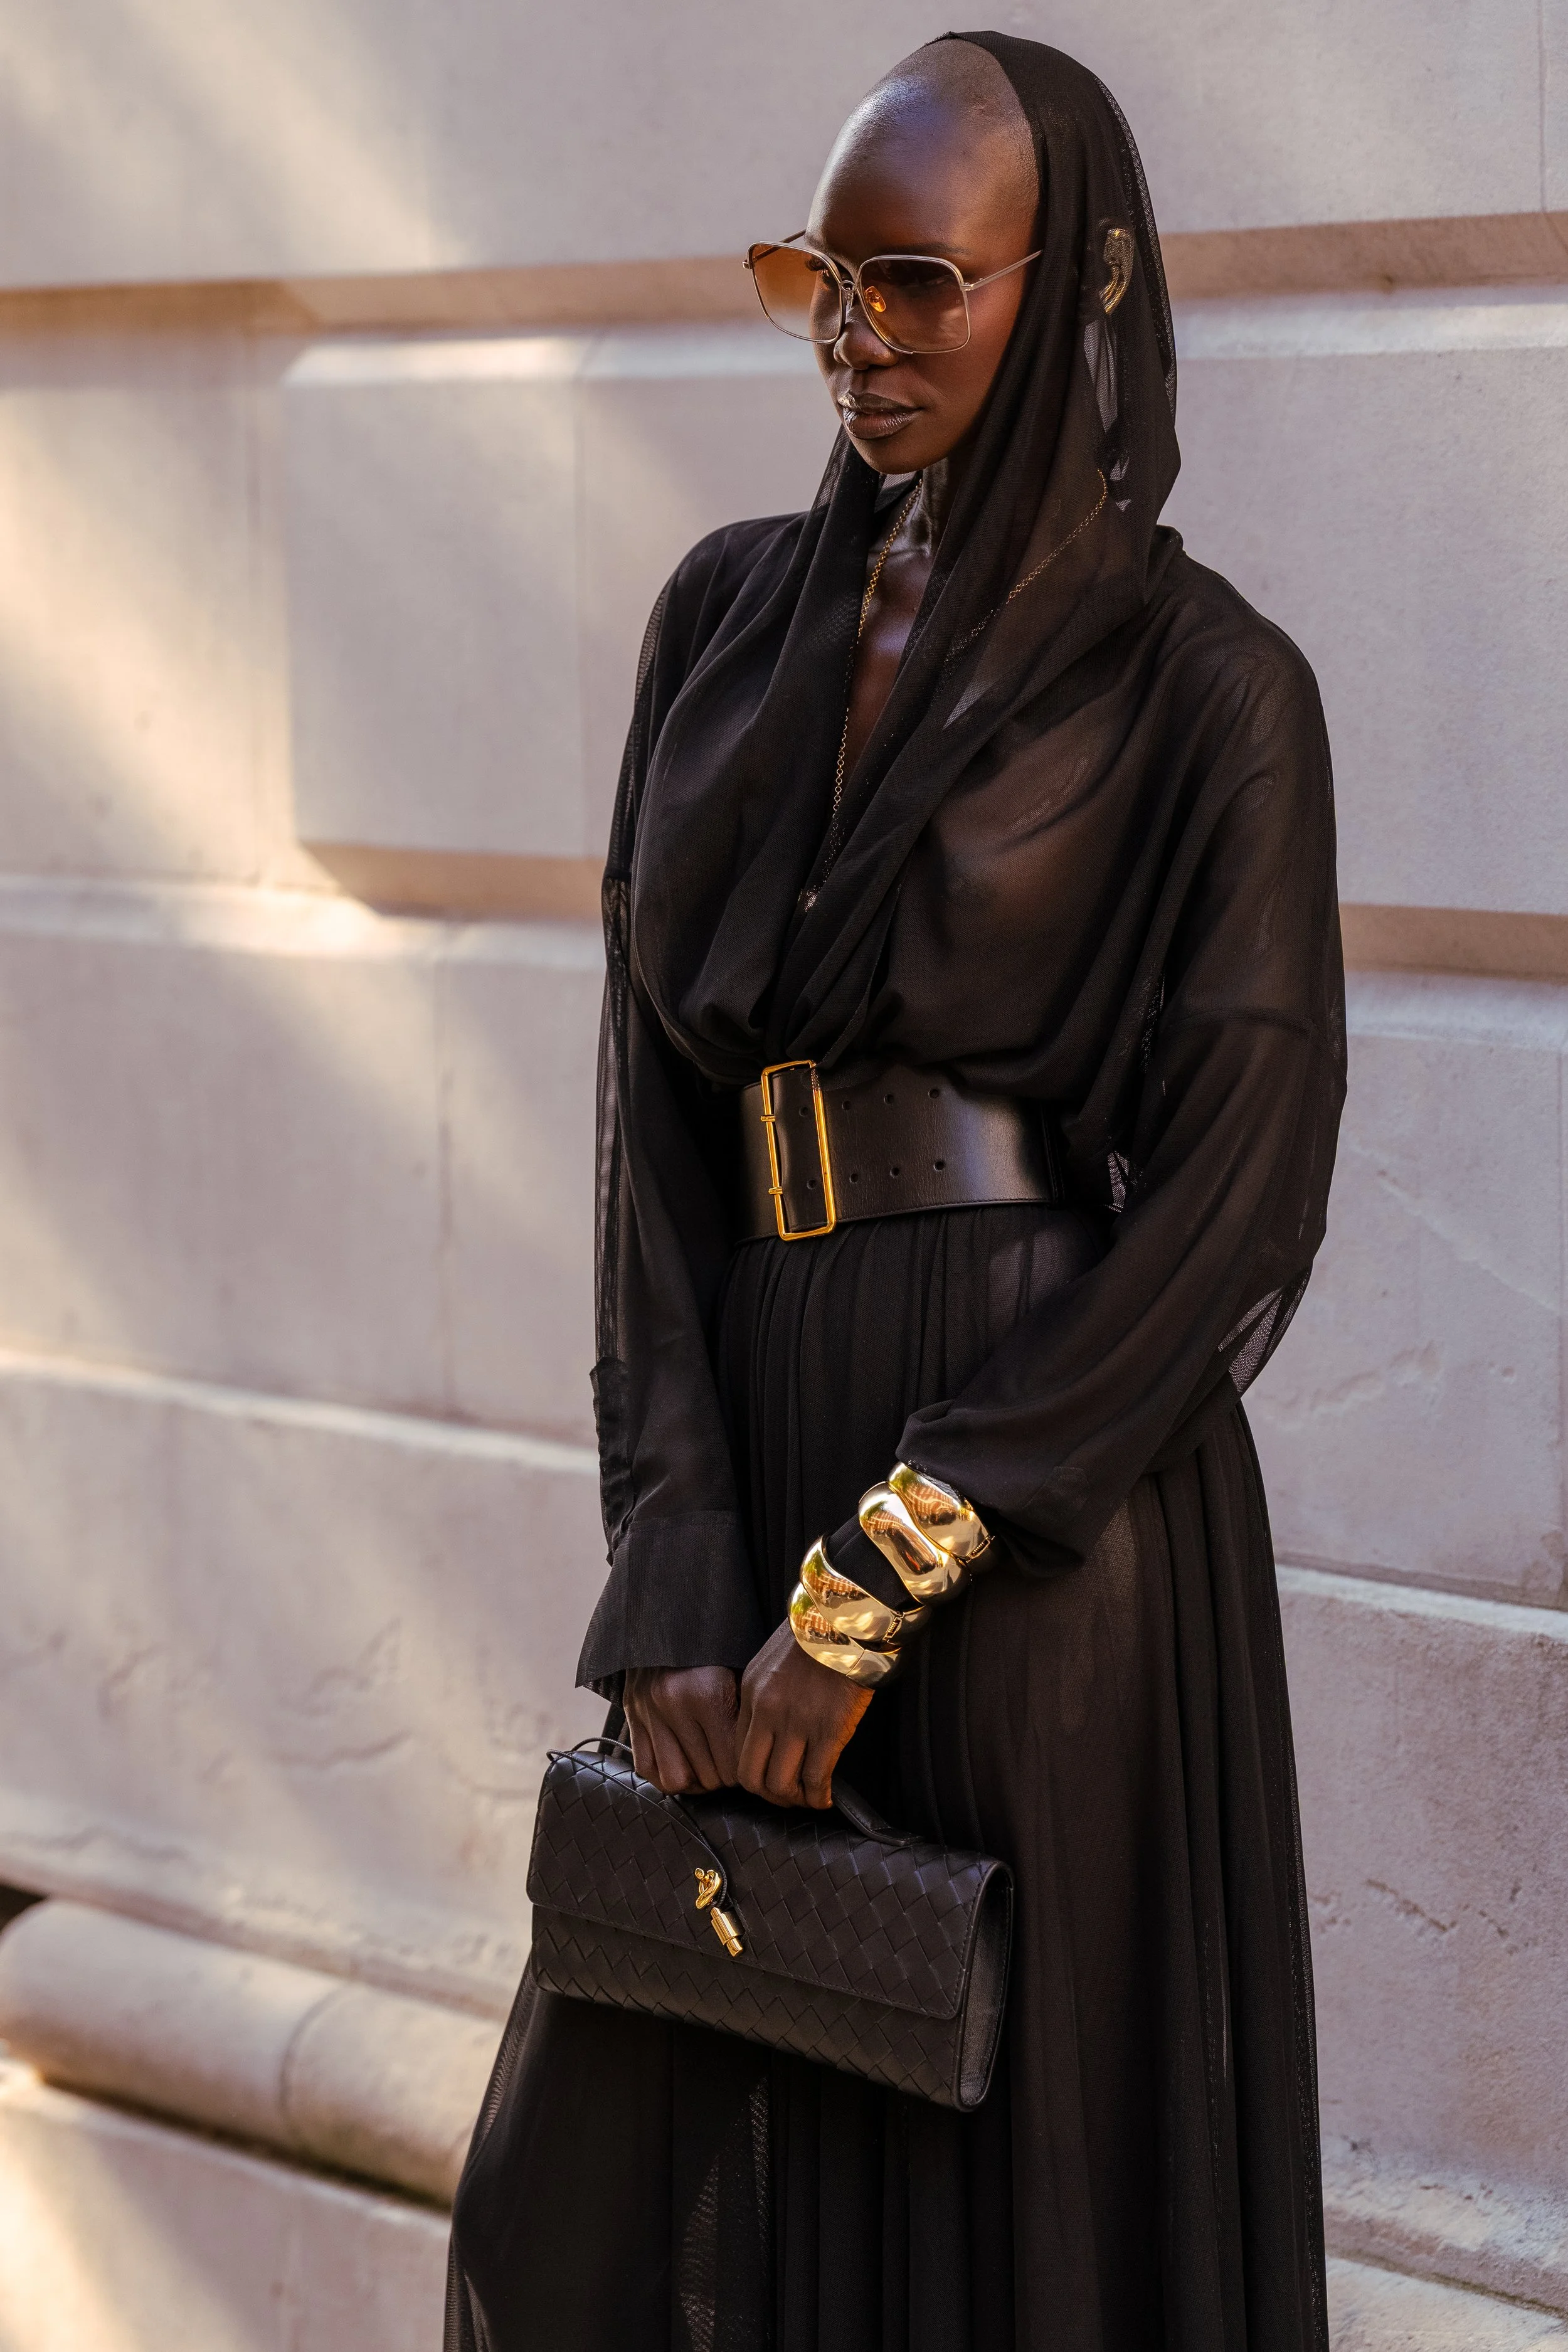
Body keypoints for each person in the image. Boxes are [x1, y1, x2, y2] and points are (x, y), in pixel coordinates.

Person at [447, 30, 1344, 2352]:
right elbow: (650, 1112)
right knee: (607, 2185)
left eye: (918, 279)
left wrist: (886, 1568)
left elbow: (1237, 1192)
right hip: (750, 1431)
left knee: (1010, 2187)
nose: (856, 333)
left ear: (1074, 288)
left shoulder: (1206, 686)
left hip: (1038, 1522)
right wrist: (675, 1553)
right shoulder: (722, 625)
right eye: (816, 276)